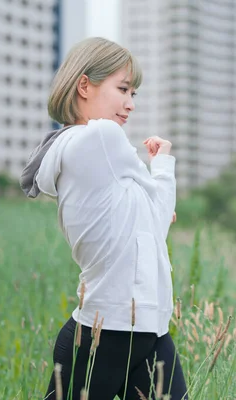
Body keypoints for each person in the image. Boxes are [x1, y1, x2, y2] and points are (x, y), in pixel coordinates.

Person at [20, 37, 187, 400]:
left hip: (147, 330)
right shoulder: (101, 137)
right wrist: (161, 167)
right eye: (123, 89)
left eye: (134, 94)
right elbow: (161, 212)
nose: (130, 104)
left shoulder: (88, 153)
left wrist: (154, 200)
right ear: (84, 85)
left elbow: (154, 227)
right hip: (104, 335)